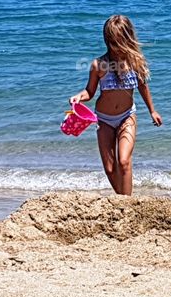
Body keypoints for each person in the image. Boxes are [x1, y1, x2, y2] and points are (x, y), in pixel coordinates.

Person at [69, 15, 162, 195]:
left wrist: (152, 111)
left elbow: (143, 87)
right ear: (107, 40)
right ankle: (121, 199)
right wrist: (78, 97)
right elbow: (89, 91)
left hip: (127, 116)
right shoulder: (99, 64)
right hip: (103, 120)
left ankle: (127, 205)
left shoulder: (136, 62)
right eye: (113, 42)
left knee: (124, 161)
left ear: (128, 39)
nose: (117, 47)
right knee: (111, 168)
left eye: (120, 42)